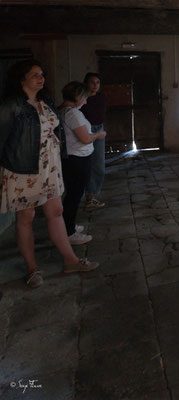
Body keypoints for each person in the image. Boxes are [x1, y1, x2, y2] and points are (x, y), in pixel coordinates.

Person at [0, 60, 99, 288]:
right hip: (22, 168)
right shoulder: (11, 106)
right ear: (21, 79)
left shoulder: (46, 101)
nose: (40, 78)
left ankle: (70, 260)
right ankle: (32, 268)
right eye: (34, 74)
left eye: (41, 74)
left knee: (56, 211)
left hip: (49, 166)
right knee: (27, 217)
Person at [59, 81, 106, 245]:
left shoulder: (65, 111)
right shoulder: (72, 114)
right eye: (84, 98)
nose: (86, 102)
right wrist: (97, 135)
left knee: (73, 193)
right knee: (74, 194)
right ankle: (69, 232)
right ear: (77, 97)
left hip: (75, 157)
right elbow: (85, 138)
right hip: (76, 159)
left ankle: (68, 225)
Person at [80, 72, 107, 210]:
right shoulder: (81, 99)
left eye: (97, 83)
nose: (95, 85)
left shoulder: (101, 97)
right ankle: (87, 197)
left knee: (98, 166)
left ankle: (91, 196)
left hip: (98, 130)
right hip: (84, 130)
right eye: (92, 82)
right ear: (86, 83)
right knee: (85, 165)